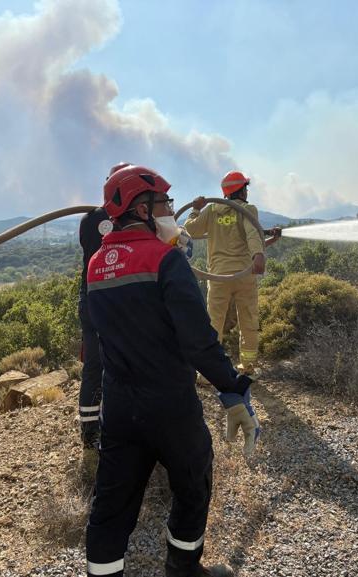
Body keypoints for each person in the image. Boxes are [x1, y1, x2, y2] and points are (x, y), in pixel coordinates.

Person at [85, 164, 255, 577]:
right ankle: (182, 569)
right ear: (143, 209)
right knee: (193, 483)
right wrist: (233, 390)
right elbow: (198, 341)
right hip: (170, 405)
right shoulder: (164, 260)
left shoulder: (96, 264)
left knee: (111, 506)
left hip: (120, 408)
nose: (169, 211)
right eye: (164, 203)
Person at [184, 170, 281, 374]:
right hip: (244, 276)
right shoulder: (247, 210)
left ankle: (209, 373)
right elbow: (252, 234)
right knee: (248, 320)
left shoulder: (210, 211)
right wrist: (258, 255)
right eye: (245, 187)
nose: (247, 192)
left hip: (218, 276)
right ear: (242, 190)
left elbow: (190, 230)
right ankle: (248, 367)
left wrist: (195, 210)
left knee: (214, 322)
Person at [77, 164, 125, 458]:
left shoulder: (89, 220)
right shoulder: (129, 219)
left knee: (94, 367)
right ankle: (118, 429)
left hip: (91, 299)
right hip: (119, 301)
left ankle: (89, 436)